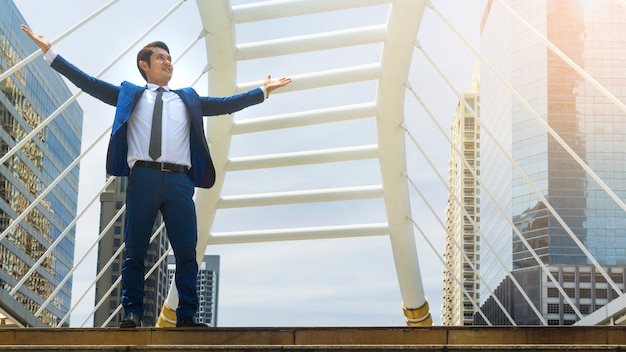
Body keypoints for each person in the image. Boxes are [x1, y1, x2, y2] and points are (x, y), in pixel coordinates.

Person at [21, 25, 291, 328]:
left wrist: (262, 92)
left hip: (179, 182)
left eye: (170, 58)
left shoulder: (187, 98)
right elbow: (89, 83)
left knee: (187, 251)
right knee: (135, 249)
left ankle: (187, 315)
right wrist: (50, 53)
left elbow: (225, 104)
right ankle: (132, 313)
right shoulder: (130, 95)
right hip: (143, 180)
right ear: (144, 65)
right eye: (161, 58)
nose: (168, 62)